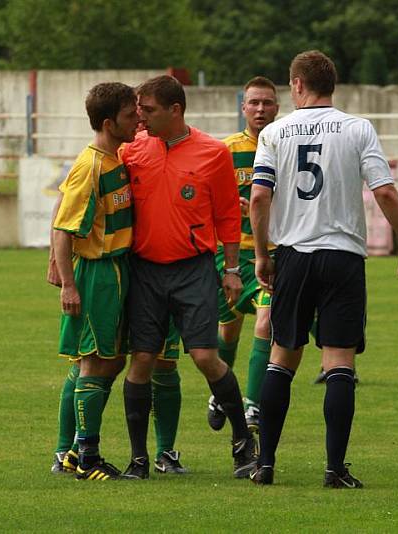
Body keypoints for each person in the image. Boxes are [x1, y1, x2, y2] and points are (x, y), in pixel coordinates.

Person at [248, 50, 398, 488]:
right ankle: (334, 469)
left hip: (293, 255)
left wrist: (263, 254)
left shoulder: (274, 132)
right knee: (339, 362)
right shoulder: (358, 128)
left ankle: (265, 465)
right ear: (332, 85)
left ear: (297, 85)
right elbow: (384, 193)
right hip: (343, 256)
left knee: (281, 359)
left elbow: (260, 197)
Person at [120, 75, 257, 480]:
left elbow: (228, 214)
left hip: (194, 268)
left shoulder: (213, 153)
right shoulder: (133, 149)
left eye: (148, 110)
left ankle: (243, 442)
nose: (140, 117)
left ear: (175, 110)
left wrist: (231, 270)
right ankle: (139, 458)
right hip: (145, 270)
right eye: (138, 110)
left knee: (204, 356)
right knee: (142, 359)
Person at [50, 82, 139, 480]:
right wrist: (68, 283)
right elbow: (64, 228)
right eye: (129, 114)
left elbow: (60, 198)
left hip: (118, 270)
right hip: (96, 273)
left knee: (109, 359)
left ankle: (67, 451)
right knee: (93, 361)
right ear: (108, 122)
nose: (137, 118)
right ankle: (85, 457)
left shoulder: (115, 157)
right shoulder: (91, 166)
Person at [207, 76, 279, 434]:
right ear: (243, 108)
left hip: (272, 254)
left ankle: (252, 405)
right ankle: (222, 392)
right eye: (254, 103)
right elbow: (206, 198)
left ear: (277, 108)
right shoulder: (225, 150)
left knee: (267, 320)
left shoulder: (286, 146)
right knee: (229, 329)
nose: (261, 109)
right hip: (233, 257)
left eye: (267, 102)